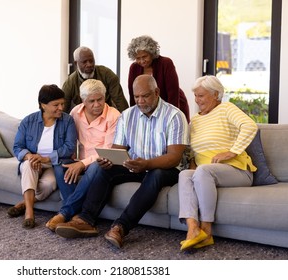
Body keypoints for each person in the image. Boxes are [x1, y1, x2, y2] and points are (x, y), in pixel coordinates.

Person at [55, 74, 189, 248]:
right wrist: (109, 160)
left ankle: (121, 227)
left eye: (145, 96)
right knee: (102, 169)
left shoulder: (174, 116)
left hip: (166, 168)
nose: (140, 101)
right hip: (135, 164)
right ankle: (85, 220)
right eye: (136, 97)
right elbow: (118, 149)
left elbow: (174, 157)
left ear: (156, 92)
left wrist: (147, 164)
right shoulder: (127, 115)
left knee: (155, 175)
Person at [178, 75, 258, 251]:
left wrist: (232, 151)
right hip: (207, 172)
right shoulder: (196, 120)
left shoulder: (226, 109)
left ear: (216, 95)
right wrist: (192, 164)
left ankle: (206, 230)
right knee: (185, 175)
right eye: (196, 96)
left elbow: (249, 126)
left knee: (203, 171)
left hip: (236, 170)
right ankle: (193, 229)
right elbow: (192, 150)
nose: (197, 100)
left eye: (201, 95)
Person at [46, 79, 121, 231]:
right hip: (79, 159)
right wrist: (74, 161)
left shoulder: (114, 116)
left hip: (101, 163)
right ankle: (78, 214)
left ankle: (65, 212)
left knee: (95, 167)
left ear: (104, 97)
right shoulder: (75, 113)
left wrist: (82, 164)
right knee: (60, 165)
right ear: (83, 100)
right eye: (91, 101)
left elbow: (107, 152)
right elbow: (71, 141)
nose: (97, 104)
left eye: (100, 99)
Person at [8, 84, 77, 229]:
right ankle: (29, 212)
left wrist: (46, 158)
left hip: (54, 163)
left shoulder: (67, 121)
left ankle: (25, 203)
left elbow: (69, 147)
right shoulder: (28, 121)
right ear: (43, 105)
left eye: (62, 104)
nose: (61, 108)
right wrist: (30, 156)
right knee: (27, 165)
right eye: (56, 105)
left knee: (48, 184)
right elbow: (17, 147)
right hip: (33, 162)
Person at [127, 35, 190, 122]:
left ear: (152, 53)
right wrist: (135, 116)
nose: (142, 61)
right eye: (138, 58)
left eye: (145, 57)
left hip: (172, 103)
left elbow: (173, 93)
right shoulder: (134, 68)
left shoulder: (166, 63)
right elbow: (133, 94)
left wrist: (172, 116)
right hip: (148, 108)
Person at [62, 46, 129, 114]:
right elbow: (63, 109)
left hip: (106, 115)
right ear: (76, 63)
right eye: (84, 62)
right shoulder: (69, 83)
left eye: (91, 61)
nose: (89, 65)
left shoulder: (107, 75)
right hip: (82, 117)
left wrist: (127, 119)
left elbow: (120, 102)